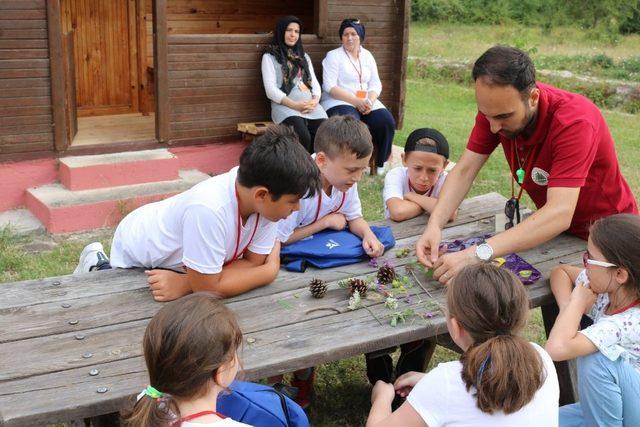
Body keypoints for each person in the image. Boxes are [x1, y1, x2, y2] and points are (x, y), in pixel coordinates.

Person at [415, 45, 638, 285]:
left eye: (503, 117)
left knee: (596, 318)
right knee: (556, 305)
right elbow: (465, 169)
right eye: (485, 114)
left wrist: (477, 253)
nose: (492, 127)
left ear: (533, 98)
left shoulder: (575, 121)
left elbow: (559, 213)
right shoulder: (495, 111)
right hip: (557, 232)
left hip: (610, 242)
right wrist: (435, 224)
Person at [74, 125, 320, 301]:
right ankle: (96, 262)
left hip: (185, 264)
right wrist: (269, 271)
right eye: (293, 201)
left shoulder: (266, 204)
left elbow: (250, 263)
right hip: (138, 252)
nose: (296, 209)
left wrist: (186, 284)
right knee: (127, 295)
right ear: (261, 195)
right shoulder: (209, 209)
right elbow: (210, 289)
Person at [274, 115, 385, 408]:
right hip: (285, 265)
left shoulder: (345, 181)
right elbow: (280, 238)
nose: (357, 177)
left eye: (362, 170)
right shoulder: (297, 182)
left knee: (326, 309)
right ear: (321, 160)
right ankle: (285, 380)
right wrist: (323, 223)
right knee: (292, 317)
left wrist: (368, 234)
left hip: (321, 262)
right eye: (352, 170)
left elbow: (353, 216)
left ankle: (304, 375)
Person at [367, 263, 559, 426]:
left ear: (455, 326)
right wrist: (429, 382)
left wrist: (382, 398)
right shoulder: (541, 358)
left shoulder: (446, 384)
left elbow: (456, 391)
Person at [545, 214, 640, 427]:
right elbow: (560, 273)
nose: (585, 263)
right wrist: (568, 311)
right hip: (617, 404)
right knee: (538, 421)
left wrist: (576, 304)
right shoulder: (608, 292)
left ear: (620, 275)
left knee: (596, 359)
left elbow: (556, 349)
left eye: (590, 258)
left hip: (633, 412)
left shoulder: (627, 323)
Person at [320, 18, 396, 175]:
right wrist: (356, 102)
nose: (349, 38)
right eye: (345, 34)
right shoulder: (333, 56)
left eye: (353, 34)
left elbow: (376, 83)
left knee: (386, 122)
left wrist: (370, 101)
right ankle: (351, 165)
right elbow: (330, 86)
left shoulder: (367, 55)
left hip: (366, 100)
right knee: (352, 124)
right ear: (341, 37)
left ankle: (380, 165)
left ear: (360, 36)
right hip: (339, 100)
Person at [262, 16, 327, 153]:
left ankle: (317, 171)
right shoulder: (270, 57)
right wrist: (295, 105)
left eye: (297, 31)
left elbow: (314, 83)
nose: (293, 35)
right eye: (289, 30)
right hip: (286, 108)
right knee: (303, 137)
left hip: (309, 106)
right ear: (281, 32)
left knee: (324, 134)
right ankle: (302, 171)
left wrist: (315, 101)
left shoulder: (304, 57)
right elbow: (270, 90)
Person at [383, 128, 455, 222]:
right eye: (417, 168)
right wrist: (432, 206)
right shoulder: (396, 175)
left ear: (444, 165)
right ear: (404, 159)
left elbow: (450, 213)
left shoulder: (446, 180)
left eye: (432, 170)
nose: (423, 178)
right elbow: (398, 212)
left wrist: (412, 196)